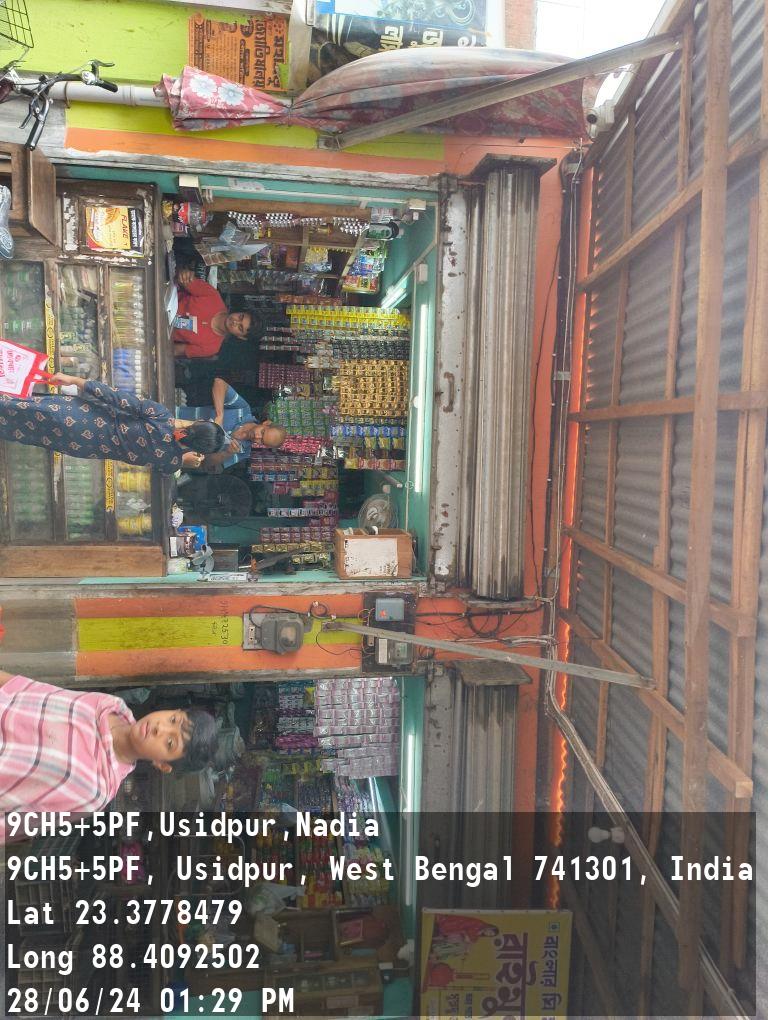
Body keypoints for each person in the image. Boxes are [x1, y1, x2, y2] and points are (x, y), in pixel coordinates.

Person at [0, 670, 218, 841]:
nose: (159, 728)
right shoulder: (109, 705)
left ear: (162, 764)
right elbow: (29, 690)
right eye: (173, 720)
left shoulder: (95, 788)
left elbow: (14, 823)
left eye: (170, 742)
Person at [0, 373, 226, 474]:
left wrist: (74, 380)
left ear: (198, 422)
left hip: (78, 416)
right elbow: (170, 464)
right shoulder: (171, 462)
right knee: (21, 431)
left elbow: (116, 397)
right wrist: (183, 459)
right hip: (79, 445)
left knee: (14, 407)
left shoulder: (161, 416)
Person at [173, 269, 262, 359]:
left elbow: (175, 350)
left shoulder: (211, 347)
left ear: (240, 337)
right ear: (240, 311)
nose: (235, 322)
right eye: (240, 317)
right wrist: (184, 275)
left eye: (240, 327)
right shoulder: (213, 295)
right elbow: (181, 279)